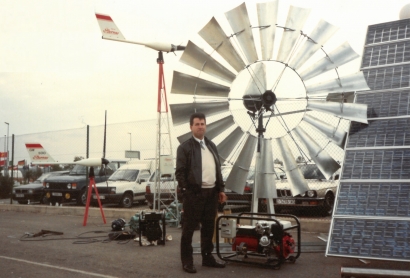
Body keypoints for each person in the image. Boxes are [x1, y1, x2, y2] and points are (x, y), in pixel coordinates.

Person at [175, 112, 227, 274]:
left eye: (202, 124)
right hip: (194, 194)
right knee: (189, 229)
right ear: (191, 127)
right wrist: (187, 192)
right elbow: (180, 173)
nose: (200, 126)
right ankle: (187, 261)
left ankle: (207, 257)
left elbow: (217, 169)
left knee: (208, 228)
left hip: (211, 194)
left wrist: (221, 189)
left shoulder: (211, 146)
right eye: (197, 124)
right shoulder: (184, 148)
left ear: (206, 126)